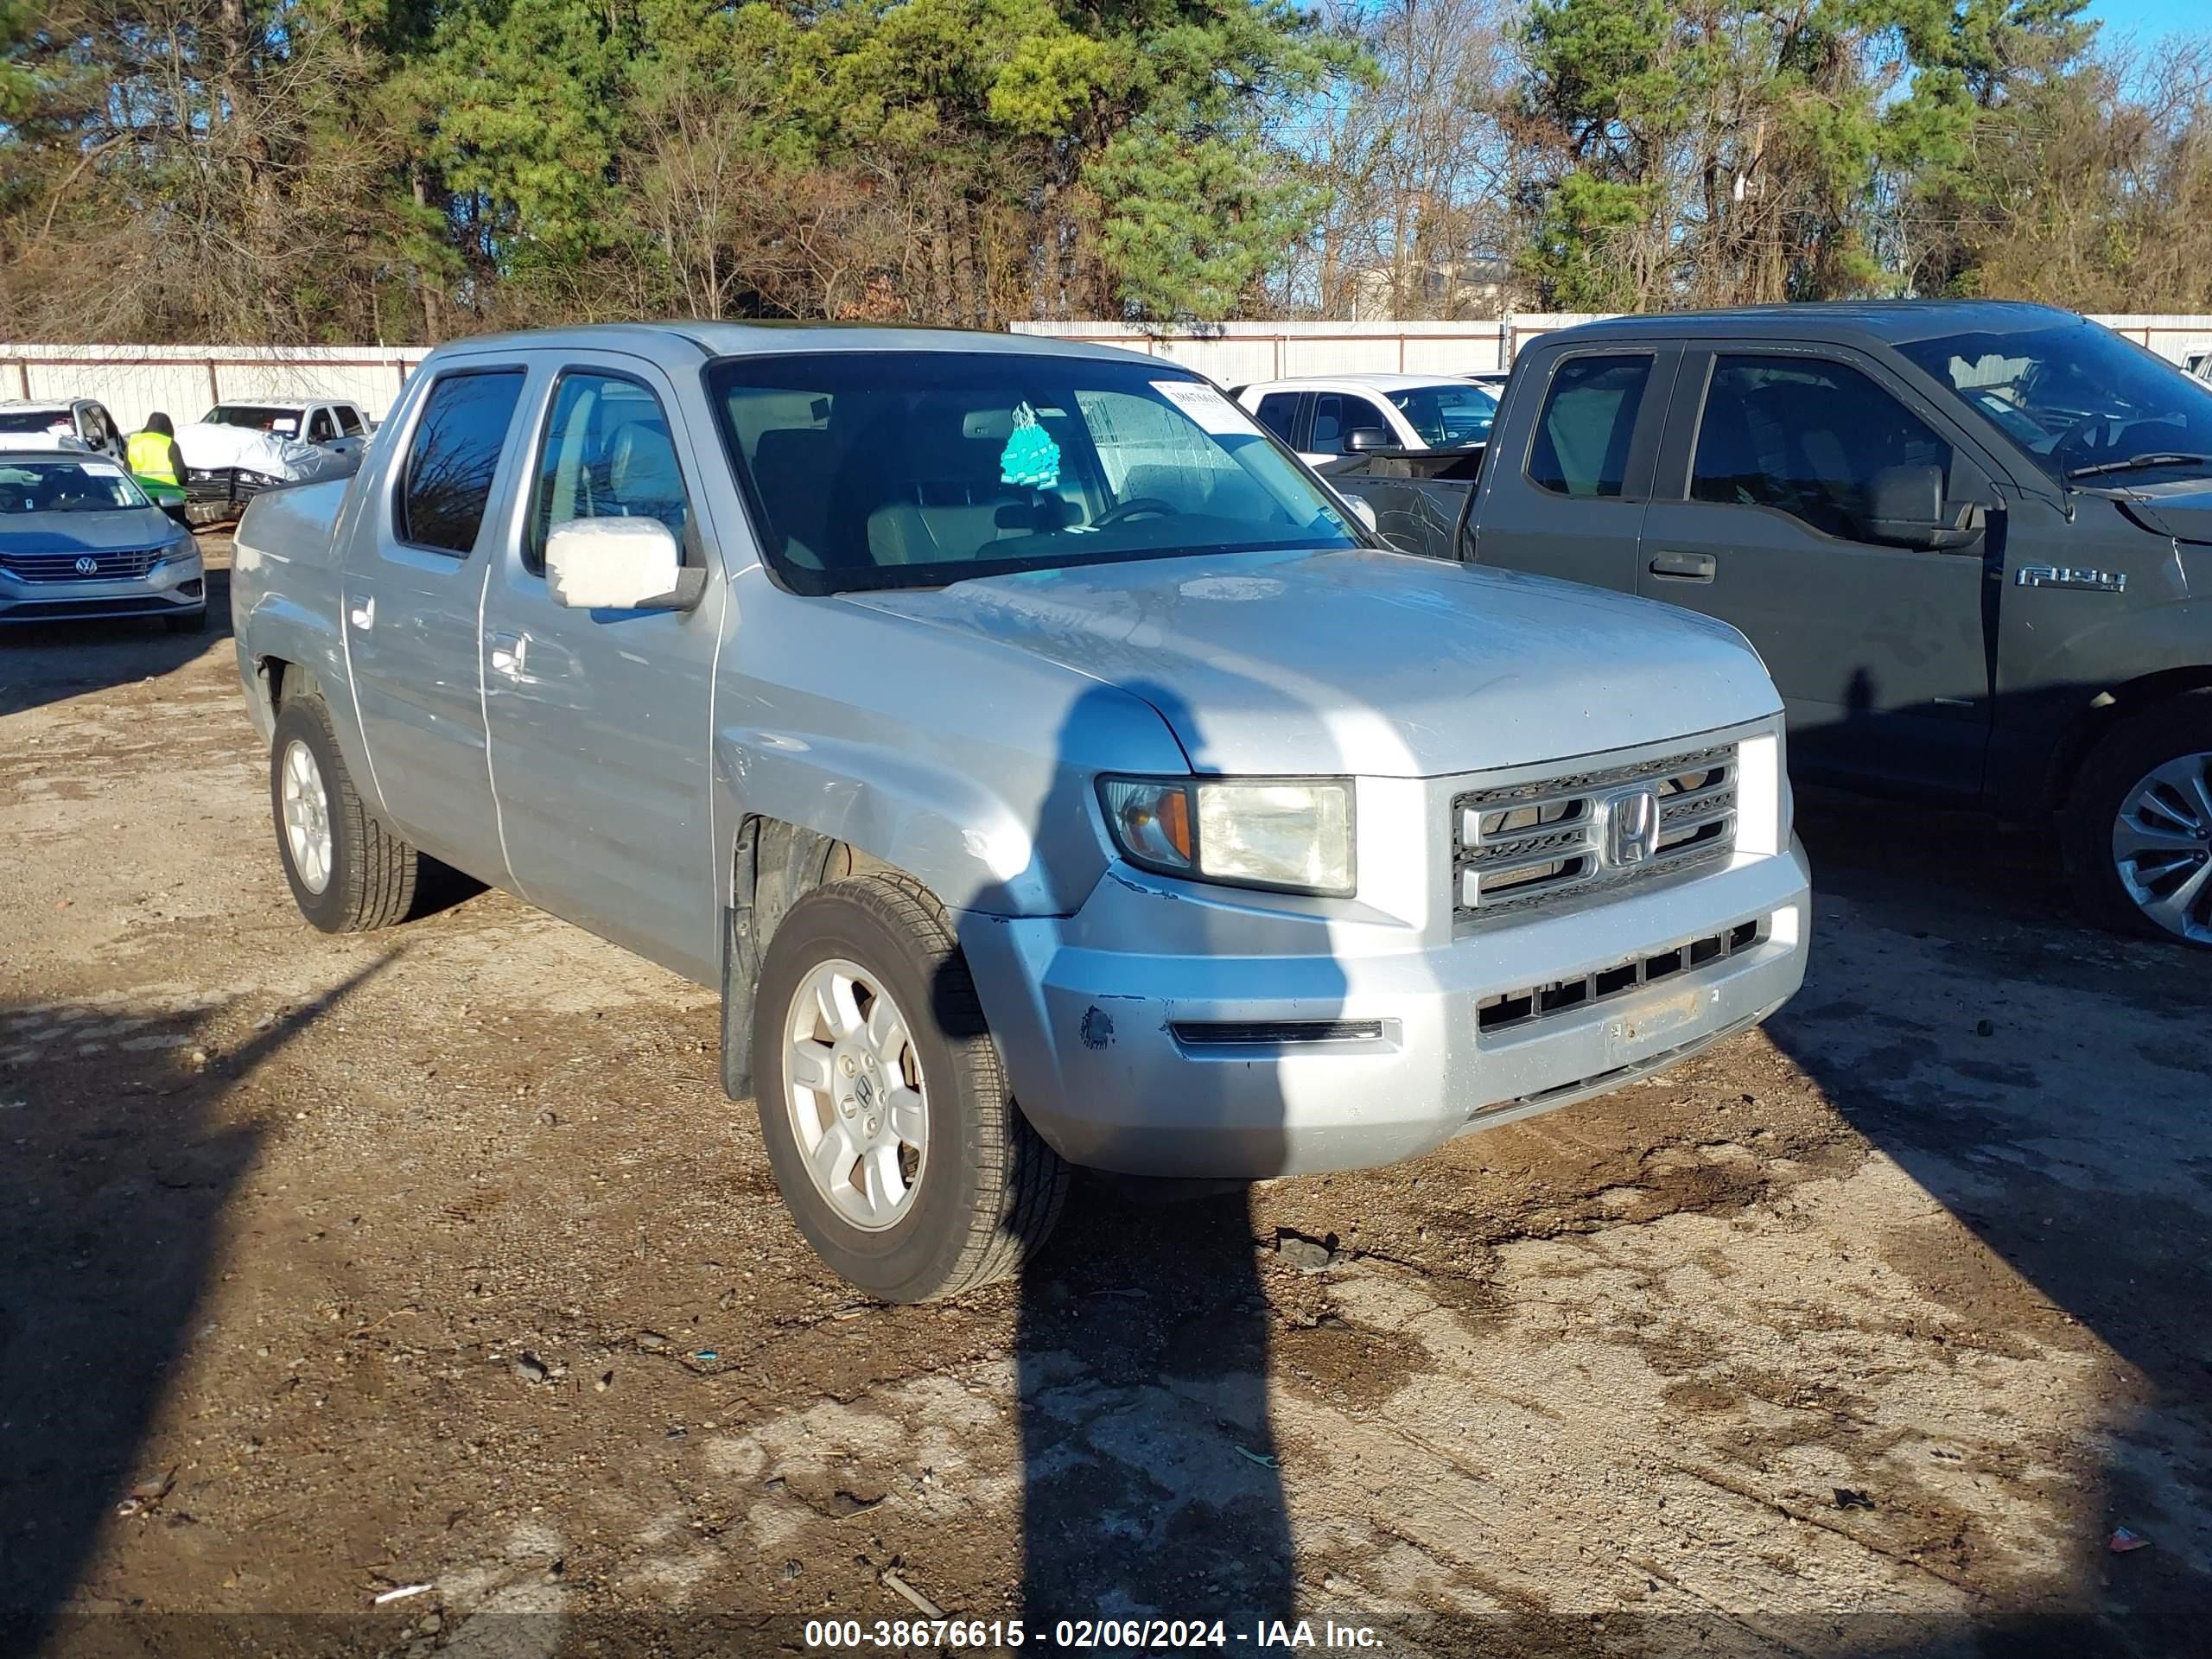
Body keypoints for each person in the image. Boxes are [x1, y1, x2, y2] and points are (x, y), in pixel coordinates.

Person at [125, 412, 187, 489]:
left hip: (142, 494)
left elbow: (127, 473)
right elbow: (181, 476)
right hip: (169, 494)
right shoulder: (170, 444)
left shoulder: (133, 444)